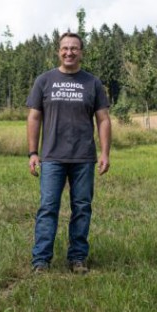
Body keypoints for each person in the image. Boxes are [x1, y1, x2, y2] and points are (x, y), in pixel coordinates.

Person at [27, 31, 111, 274]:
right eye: (65, 48)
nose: (69, 52)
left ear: (81, 52)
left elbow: (103, 120)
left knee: (82, 207)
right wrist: (33, 152)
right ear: (58, 51)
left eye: (74, 48)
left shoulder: (92, 83)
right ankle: (41, 261)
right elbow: (34, 117)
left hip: (83, 157)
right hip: (52, 157)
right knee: (48, 207)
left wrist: (105, 153)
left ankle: (77, 258)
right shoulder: (44, 81)